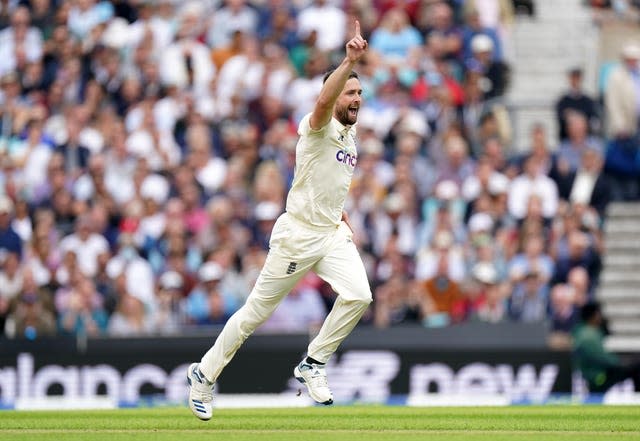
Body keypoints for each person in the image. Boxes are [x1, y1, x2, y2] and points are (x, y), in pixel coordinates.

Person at [186, 21, 372, 420]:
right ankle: (204, 374)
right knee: (255, 314)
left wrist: (340, 213)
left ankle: (313, 364)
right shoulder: (317, 126)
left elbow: (326, 183)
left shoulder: (350, 138)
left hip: (329, 233)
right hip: (297, 236)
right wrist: (348, 61)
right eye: (351, 92)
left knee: (360, 294)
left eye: (360, 92)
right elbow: (322, 104)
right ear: (336, 92)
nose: (357, 98)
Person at [573, 302, 640, 393]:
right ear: (594, 316)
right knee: (635, 367)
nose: (600, 317)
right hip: (598, 377)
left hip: (597, 374)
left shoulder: (585, 331)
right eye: (599, 314)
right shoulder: (588, 335)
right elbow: (602, 358)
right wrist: (621, 362)